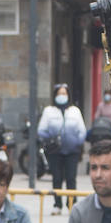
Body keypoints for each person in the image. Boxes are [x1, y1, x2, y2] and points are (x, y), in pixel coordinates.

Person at [37, 83, 86, 214]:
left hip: (72, 151)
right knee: (56, 178)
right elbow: (41, 130)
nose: (62, 96)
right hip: (55, 151)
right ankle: (57, 205)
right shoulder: (49, 111)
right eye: (59, 93)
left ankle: (72, 204)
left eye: (64, 93)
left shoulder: (75, 111)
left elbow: (82, 131)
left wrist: (77, 142)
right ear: (55, 95)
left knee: (71, 178)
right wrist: (51, 138)